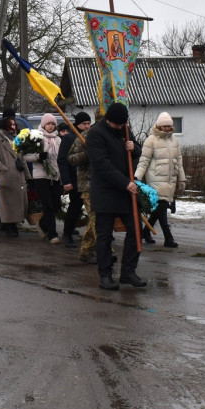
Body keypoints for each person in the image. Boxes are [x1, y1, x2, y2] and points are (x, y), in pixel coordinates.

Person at [88, 102, 145, 290]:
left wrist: (133, 147)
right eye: (117, 125)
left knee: (136, 229)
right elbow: (102, 164)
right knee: (104, 236)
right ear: (109, 120)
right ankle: (105, 274)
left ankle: (128, 271)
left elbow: (137, 151)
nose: (120, 128)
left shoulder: (125, 129)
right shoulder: (96, 133)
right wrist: (125, 183)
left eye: (123, 124)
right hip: (105, 192)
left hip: (126, 193)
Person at [134, 112, 187, 248]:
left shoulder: (174, 140)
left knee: (160, 208)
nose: (167, 129)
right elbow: (144, 160)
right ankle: (168, 238)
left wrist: (182, 179)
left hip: (170, 179)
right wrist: (137, 177)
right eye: (164, 126)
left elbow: (179, 161)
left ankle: (146, 232)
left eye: (169, 126)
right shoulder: (151, 140)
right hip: (155, 178)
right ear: (158, 126)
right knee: (162, 206)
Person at [25, 113, 62, 244]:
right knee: (48, 205)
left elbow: (60, 159)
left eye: (53, 124)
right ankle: (53, 234)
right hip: (40, 175)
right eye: (48, 124)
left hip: (55, 175)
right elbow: (25, 156)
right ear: (43, 124)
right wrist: (38, 156)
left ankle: (42, 224)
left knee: (56, 204)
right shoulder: (36, 138)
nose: (51, 126)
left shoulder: (58, 140)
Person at [0, 116, 28, 238]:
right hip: (6, 178)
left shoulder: (17, 139)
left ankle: (12, 224)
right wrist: (4, 168)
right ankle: (9, 226)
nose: (13, 127)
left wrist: (28, 175)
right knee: (8, 204)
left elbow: (22, 158)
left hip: (18, 176)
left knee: (18, 203)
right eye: (11, 124)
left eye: (14, 124)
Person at [67, 112, 97, 262]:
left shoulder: (111, 135)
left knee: (101, 219)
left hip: (104, 184)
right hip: (87, 184)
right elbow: (70, 158)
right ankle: (98, 250)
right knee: (95, 217)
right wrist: (87, 154)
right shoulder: (84, 137)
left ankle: (88, 249)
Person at [58, 115, 86, 246]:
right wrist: (66, 181)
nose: (87, 126)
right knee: (75, 207)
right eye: (84, 124)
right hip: (75, 179)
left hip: (88, 178)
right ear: (78, 124)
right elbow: (62, 160)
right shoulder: (69, 138)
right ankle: (67, 233)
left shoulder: (89, 136)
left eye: (89, 123)